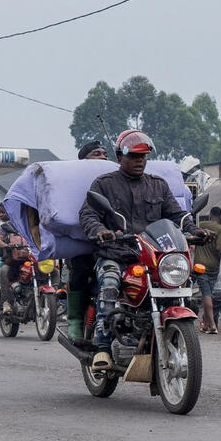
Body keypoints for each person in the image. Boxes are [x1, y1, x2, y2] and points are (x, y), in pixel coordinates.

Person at [79, 129, 204, 371]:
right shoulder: (104, 184)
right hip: (115, 254)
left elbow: (176, 215)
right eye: (134, 156)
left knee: (184, 285)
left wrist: (193, 229)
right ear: (120, 158)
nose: (139, 161)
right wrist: (100, 231)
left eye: (143, 157)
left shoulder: (158, 185)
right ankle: (103, 347)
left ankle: (176, 335)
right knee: (110, 283)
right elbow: (88, 214)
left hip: (152, 257)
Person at [67, 140, 111, 340]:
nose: (103, 156)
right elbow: (87, 213)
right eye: (97, 154)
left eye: (105, 153)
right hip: (87, 241)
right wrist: (98, 229)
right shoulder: (76, 181)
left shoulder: (116, 181)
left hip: (120, 243)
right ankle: (75, 319)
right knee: (82, 268)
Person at [193, 206, 221, 334]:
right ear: (220, 216)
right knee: (208, 294)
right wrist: (218, 259)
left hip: (199, 264)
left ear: (210, 214)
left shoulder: (200, 225)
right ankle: (213, 324)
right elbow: (219, 247)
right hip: (213, 266)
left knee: (206, 294)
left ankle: (207, 324)